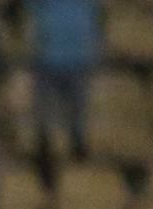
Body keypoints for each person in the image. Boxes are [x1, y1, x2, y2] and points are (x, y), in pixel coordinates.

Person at [29, 0, 99, 170]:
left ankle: (77, 143)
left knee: (78, 108)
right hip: (48, 59)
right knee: (44, 106)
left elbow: (95, 19)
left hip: (78, 60)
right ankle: (44, 142)